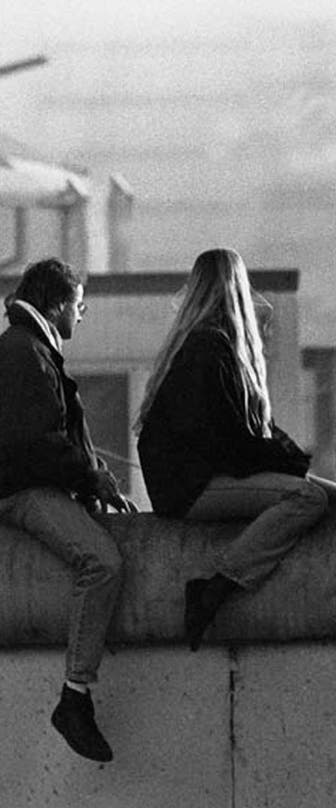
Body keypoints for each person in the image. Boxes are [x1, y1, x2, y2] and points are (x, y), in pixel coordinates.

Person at [0, 258, 137, 764]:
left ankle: (76, 698)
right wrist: (91, 476)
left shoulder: (23, 347)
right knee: (101, 562)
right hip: (20, 490)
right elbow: (36, 444)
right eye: (78, 307)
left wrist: (86, 475)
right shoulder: (27, 354)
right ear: (56, 305)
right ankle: (75, 696)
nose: (82, 315)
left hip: (20, 483)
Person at [136, 248, 336, 650]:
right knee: (308, 498)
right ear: (237, 288)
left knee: (327, 494)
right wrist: (293, 465)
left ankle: (216, 587)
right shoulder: (209, 349)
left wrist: (291, 459)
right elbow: (234, 443)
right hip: (190, 489)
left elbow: (248, 433)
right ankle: (217, 586)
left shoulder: (205, 345)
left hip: (200, 479)